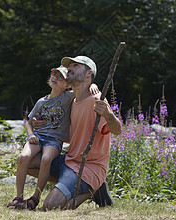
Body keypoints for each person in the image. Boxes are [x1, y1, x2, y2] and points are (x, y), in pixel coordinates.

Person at [28, 55, 122, 210]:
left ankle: (92, 190)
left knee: (50, 207)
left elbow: (117, 130)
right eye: (68, 66)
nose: (69, 68)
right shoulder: (70, 101)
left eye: (75, 65)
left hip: (90, 166)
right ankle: (72, 184)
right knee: (29, 162)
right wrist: (38, 123)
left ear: (88, 73)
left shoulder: (97, 100)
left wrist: (108, 114)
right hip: (69, 161)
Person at [7, 66, 99, 210]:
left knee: (46, 160)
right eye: (53, 74)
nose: (55, 78)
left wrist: (93, 84)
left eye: (60, 77)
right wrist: (31, 135)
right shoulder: (41, 102)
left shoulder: (68, 96)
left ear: (67, 85)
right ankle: (18, 197)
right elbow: (29, 123)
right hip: (38, 136)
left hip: (54, 140)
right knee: (23, 158)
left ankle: (35, 197)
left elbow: (83, 87)